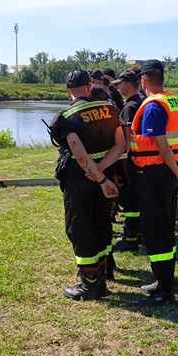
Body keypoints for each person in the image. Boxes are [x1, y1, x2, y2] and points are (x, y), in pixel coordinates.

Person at [49, 70, 126, 301]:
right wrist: (102, 172)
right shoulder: (111, 109)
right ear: (89, 85)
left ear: (67, 90)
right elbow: (121, 145)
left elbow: (80, 155)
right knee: (101, 223)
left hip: (80, 181)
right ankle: (101, 277)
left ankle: (89, 284)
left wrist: (97, 175)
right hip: (105, 178)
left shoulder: (65, 116)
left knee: (80, 228)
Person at [130, 59, 178, 306]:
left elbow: (162, 145)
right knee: (165, 226)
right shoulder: (172, 102)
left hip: (155, 175)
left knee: (155, 231)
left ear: (143, 81)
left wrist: (177, 170)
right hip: (169, 175)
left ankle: (164, 290)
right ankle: (164, 279)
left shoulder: (153, 107)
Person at [112, 69, 144, 252]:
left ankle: (130, 237)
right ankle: (137, 232)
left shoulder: (130, 107)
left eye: (120, 84)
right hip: (142, 159)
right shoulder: (141, 101)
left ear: (128, 85)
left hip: (131, 161)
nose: (118, 87)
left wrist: (119, 164)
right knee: (137, 199)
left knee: (130, 201)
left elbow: (127, 140)